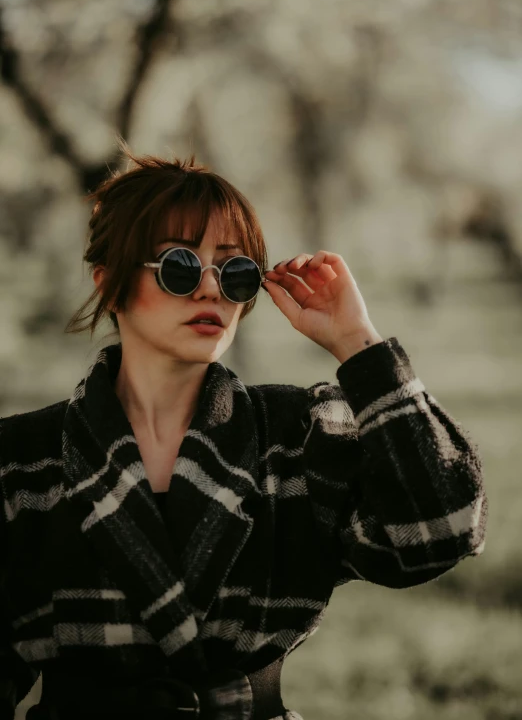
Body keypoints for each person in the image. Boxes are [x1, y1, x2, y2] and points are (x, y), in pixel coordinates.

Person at [0, 148, 487, 720]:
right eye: (180, 266)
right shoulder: (21, 460)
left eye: (235, 272)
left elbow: (442, 528)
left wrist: (359, 345)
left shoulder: (299, 437)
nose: (211, 290)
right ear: (109, 282)